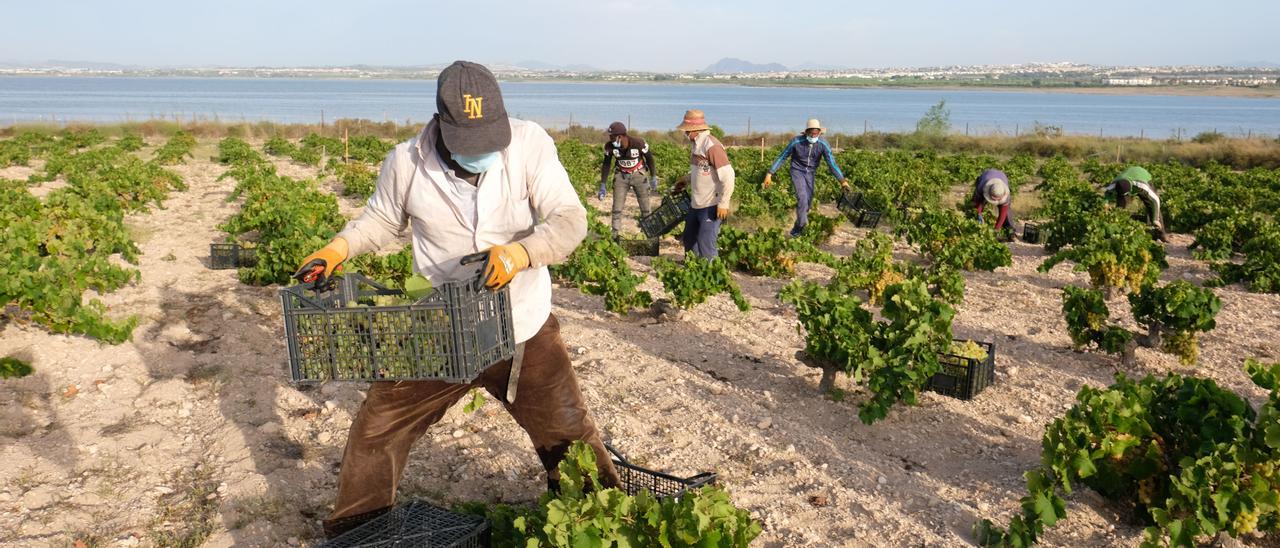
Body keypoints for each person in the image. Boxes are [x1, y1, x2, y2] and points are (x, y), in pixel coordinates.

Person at [293, 61, 621, 538]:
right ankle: (355, 533)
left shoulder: (531, 145)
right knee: (379, 429)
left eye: (492, 137)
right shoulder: (406, 161)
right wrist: (339, 247)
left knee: (568, 435)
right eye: (471, 142)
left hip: (521, 325)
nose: (485, 150)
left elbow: (571, 219)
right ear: (442, 125)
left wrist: (521, 253)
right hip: (440, 328)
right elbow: (381, 221)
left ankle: (603, 527)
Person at [763, 119, 848, 237]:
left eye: (816, 133)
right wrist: (769, 173)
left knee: (808, 202)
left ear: (819, 133)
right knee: (802, 198)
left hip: (810, 173)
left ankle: (797, 226)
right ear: (806, 132)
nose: (813, 135)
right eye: (811, 133)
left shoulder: (823, 144)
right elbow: (782, 157)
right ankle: (800, 228)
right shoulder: (796, 141)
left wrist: (842, 181)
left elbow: (832, 164)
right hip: (797, 171)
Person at [672, 109, 734, 258]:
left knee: (706, 242)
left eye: (686, 131)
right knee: (689, 238)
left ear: (694, 130)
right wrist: (685, 180)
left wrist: (724, 204)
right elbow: (701, 171)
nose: (685, 134)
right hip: (696, 203)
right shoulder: (696, 145)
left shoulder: (712, 146)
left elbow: (728, 176)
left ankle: (713, 276)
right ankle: (693, 271)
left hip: (711, 204)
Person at [597, 122, 658, 238]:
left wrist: (653, 176)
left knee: (645, 208)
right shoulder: (609, 146)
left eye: (612, 137)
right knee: (617, 208)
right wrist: (603, 185)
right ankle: (615, 235)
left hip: (638, 174)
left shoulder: (638, 143)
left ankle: (648, 234)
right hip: (621, 175)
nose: (610, 139)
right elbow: (606, 164)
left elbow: (649, 158)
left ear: (620, 136)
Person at [1103, 165, 1168, 242]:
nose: (1127, 197)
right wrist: (1105, 206)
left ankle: (1161, 235)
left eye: (1127, 194)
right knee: (1120, 209)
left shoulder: (1142, 186)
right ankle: (1118, 229)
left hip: (1142, 176)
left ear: (1130, 190)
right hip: (1126, 179)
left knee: (1151, 207)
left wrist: (1155, 219)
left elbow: (1156, 201)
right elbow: (1106, 195)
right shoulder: (1115, 184)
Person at [971, 168, 1015, 236]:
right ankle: (973, 224)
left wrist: (996, 229)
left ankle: (1010, 230)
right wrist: (978, 214)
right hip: (986, 176)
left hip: (1002, 176)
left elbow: (1002, 214)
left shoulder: (1006, 195)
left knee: (1007, 212)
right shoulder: (982, 186)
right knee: (974, 206)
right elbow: (978, 202)